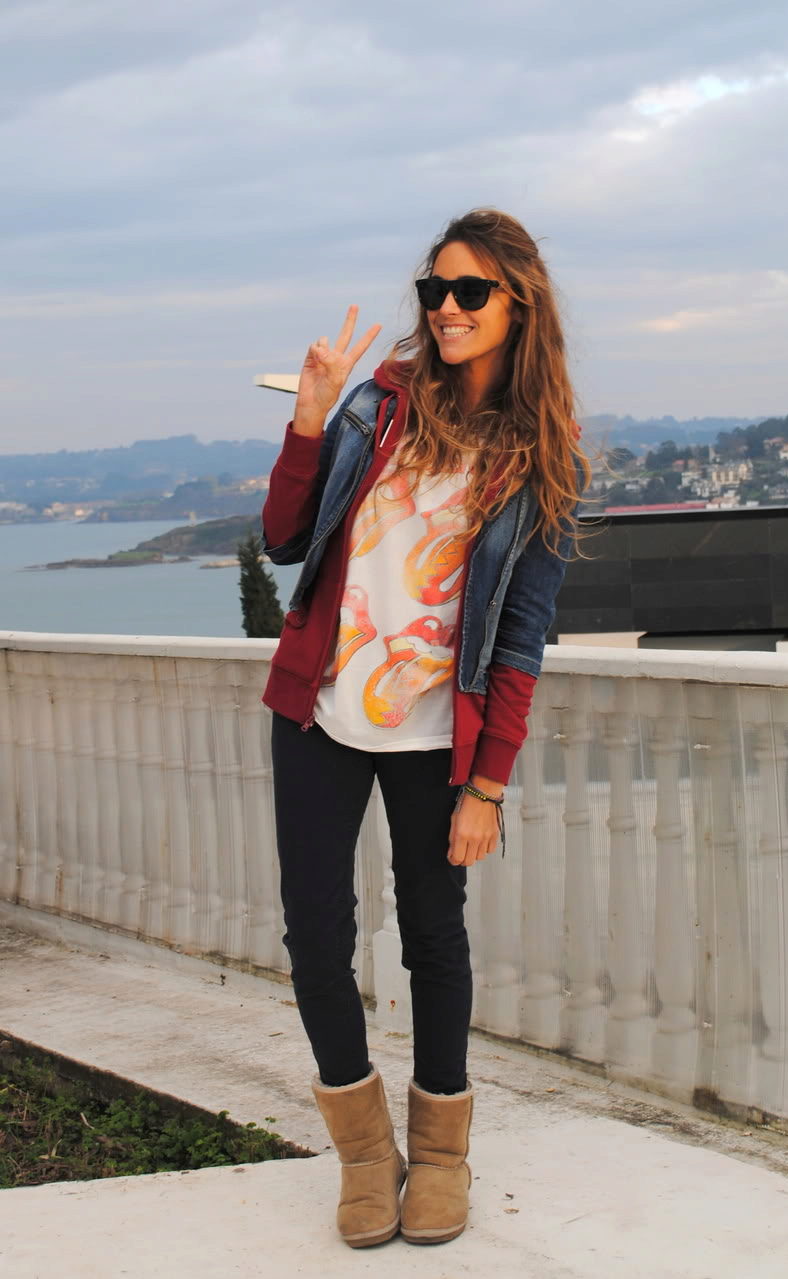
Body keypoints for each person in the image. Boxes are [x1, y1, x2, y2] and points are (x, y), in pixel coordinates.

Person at [260, 208, 590, 1248]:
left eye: (469, 291)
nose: (446, 308)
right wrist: (309, 420)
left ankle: (440, 1156)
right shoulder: (377, 407)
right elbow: (284, 541)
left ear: (517, 305)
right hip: (317, 715)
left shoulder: (541, 455)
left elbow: (521, 638)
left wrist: (487, 784)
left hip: (436, 736)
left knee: (432, 936)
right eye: (434, 290)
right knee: (316, 934)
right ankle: (365, 1156)